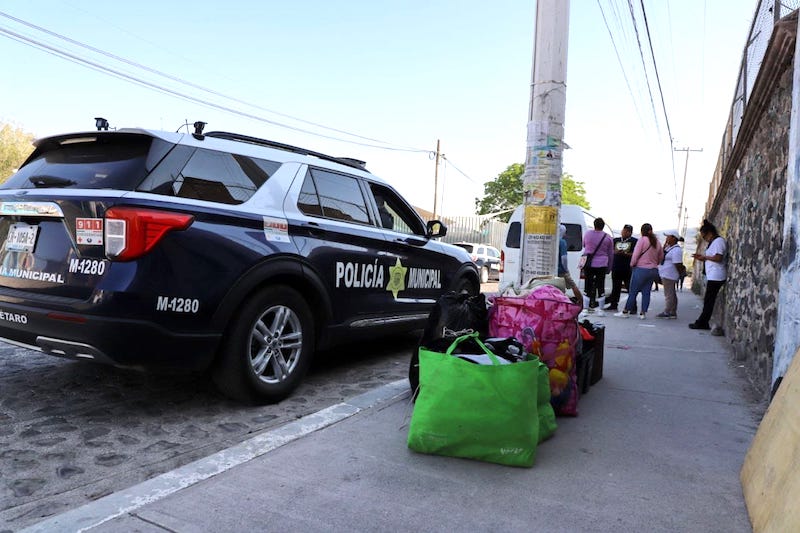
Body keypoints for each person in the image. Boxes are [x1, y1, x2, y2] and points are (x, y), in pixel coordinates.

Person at [614, 223, 663, 319]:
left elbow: (635, 254)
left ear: (642, 231)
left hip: (641, 269)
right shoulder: (657, 242)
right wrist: (655, 263)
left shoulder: (642, 240)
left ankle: (625, 311)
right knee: (646, 292)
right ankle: (643, 313)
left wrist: (632, 264)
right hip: (653, 270)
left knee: (633, 291)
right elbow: (661, 256)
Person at [689, 219, 727, 330]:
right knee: (708, 300)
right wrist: (702, 258)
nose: (704, 239)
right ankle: (702, 322)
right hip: (712, 275)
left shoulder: (719, 242)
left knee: (709, 301)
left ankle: (702, 322)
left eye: (704, 236)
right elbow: (712, 258)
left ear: (709, 233)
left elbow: (718, 257)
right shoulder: (713, 243)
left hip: (717, 275)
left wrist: (705, 257)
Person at [581, 217, 614, 312]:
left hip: (589, 263)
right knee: (600, 286)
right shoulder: (608, 237)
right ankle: (600, 309)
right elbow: (610, 254)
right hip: (602, 264)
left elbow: (584, 245)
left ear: (594, 225)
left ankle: (586, 308)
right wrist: (609, 267)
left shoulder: (587, 234)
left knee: (588, 285)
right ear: (603, 226)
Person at [604, 224, 637, 312]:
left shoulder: (634, 241)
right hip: (616, 267)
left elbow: (636, 254)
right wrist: (615, 252)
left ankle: (633, 307)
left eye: (627, 231)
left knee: (629, 287)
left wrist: (626, 254)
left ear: (630, 232)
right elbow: (610, 251)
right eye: (623, 230)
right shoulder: (616, 240)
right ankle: (613, 304)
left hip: (628, 268)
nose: (624, 233)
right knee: (615, 287)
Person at [656, 230, 683, 319]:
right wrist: (664, 246)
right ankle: (672, 311)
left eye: (668, 237)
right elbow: (661, 255)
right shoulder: (669, 248)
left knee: (669, 294)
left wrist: (680, 274)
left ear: (673, 238)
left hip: (670, 274)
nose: (666, 238)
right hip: (666, 273)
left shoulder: (676, 250)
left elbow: (677, 264)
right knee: (672, 293)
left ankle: (667, 311)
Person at [558, 224, 582, 304]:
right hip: (561, 270)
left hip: (553, 270)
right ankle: (581, 302)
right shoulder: (562, 242)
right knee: (573, 285)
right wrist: (566, 269)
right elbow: (563, 258)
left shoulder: (553, 241)